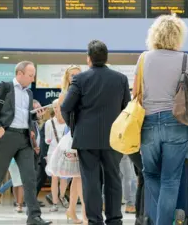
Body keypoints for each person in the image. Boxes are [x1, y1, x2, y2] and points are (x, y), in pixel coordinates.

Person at [128, 14, 188, 225]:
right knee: (171, 179)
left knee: (151, 174)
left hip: (149, 124)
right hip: (177, 124)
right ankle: (166, 218)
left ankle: (166, 215)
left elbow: (135, 93)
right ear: (178, 36)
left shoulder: (143, 58)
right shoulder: (187, 60)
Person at [61, 41, 130, 225]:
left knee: (90, 181)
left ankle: (94, 220)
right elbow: (127, 110)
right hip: (113, 140)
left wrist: (76, 129)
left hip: (86, 139)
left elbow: (65, 108)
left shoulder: (80, 79)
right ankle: (115, 220)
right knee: (113, 179)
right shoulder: (121, 79)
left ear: (88, 58)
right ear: (106, 58)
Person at [0, 61, 51, 225]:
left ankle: (34, 216)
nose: (33, 79)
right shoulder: (4, 87)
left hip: (25, 139)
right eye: (30, 75)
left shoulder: (29, 93)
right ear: (20, 73)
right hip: (7, 137)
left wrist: (36, 117)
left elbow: (26, 117)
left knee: (30, 178)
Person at [57, 65, 86, 224]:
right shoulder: (64, 95)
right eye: (71, 75)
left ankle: (72, 210)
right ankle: (85, 213)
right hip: (71, 137)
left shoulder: (84, 93)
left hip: (82, 134)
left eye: (77, 74)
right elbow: (61, 120)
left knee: (78, 176)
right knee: (79, 175)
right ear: (67, 78)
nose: (74, 77)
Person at [45, 99, 69, 212]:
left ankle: (62, 196)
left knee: (64, 177)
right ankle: (54, 202)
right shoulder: (49, 123)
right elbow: (47, 140)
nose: (56, 109)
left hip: (65, 152)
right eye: (54, 107)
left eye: (58, 106)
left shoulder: (68, 121)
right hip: (53, 152)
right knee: (54, 177)